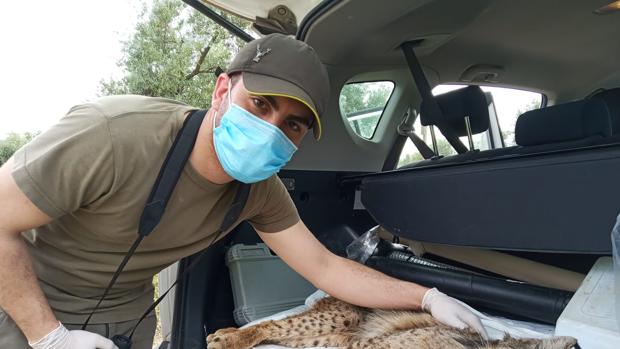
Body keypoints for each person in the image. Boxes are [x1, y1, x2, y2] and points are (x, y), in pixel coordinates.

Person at [0, 33, 486, 349]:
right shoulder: (114, 133)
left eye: (292, 124)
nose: (272, 127)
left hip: (125, 315)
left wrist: (427, 298)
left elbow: (325, 267)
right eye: (260, 104)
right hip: (22, 296)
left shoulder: (259, 190)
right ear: (220, 92)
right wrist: (48, 336)